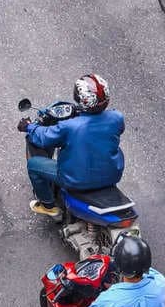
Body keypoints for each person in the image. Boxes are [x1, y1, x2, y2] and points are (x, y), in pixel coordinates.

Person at [18, 74, 124, 217]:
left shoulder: (69, 127)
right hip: (112, 175)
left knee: (33, 165)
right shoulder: (116, 118)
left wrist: (29, 127)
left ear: (80, 98)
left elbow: (44, 137)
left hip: (76, 180)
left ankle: (48, 206)